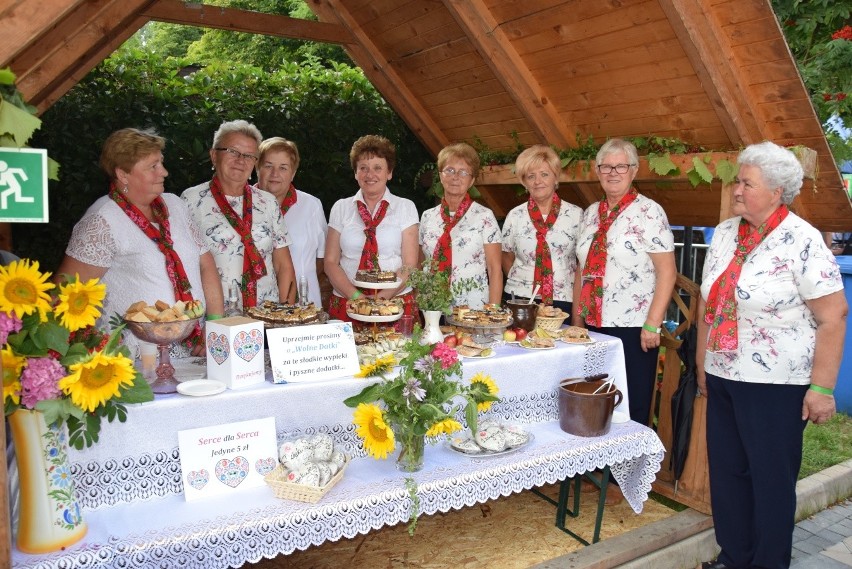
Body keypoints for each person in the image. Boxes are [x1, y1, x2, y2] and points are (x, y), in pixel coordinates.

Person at [696, 141, 847, 569]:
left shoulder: (802, 240)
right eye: (738, 180)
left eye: (747, 183)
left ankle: (768, 562)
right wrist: (705, 363)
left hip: (775, 386)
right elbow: (712, 304)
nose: (737, 189)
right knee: (728, 476)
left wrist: (821, 388)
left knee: (770, 481)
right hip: (724, 373)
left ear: (777, 191)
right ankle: (734, 556)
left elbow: (834, 315)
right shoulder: (726, 233)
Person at [58, 128, 223, 356]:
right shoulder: (102, 221)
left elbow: (206, 264)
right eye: (152, 166)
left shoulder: (175, 205)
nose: (164, 172)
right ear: (123, 175)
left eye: (161, 163)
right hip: (136, 357)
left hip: (194, 349)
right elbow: (64, 294)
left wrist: (214, 325)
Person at [573, 138, 677, 425]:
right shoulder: (591, 213)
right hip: (593, 324)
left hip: (633, 327)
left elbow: (667, 272)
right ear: (597, 171)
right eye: (606, 166)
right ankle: (597, 464)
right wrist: (577, 322)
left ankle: (630, 469)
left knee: (629, 406)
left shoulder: (649, 212)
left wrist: (652, 323)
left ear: (634, 170)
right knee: (594, 399)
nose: (613, 172)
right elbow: (582, 270)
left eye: (621, 166)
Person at [182, 120, 296, 310]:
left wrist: (285, 315)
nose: (240, 160)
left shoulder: (267, 202)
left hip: (267, 315)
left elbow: (284, 266)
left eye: (249, 155)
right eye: (232, 151)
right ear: (213, 155)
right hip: (215, 318)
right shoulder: (190, 201)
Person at [324, 135, 419, 321]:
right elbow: (330, 262)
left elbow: (409, 265)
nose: (370, 175)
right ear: (355, 172)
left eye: (378, 168)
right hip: (348, 302)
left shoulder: (405, 207)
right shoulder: (341, 208)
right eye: (363, 168)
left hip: (394, 304)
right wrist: (358, 299)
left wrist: (381, 299)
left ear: (389, 172)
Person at [419, 142, 501, 308]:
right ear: (441, 176)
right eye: (449, 170)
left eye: (463, 172)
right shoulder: (427, 217)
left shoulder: (484, 217)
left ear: (471, 181)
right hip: (432, 307)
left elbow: (495, 270)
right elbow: (420, 265)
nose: (455, 177)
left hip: (473, 310)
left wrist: (493, 313)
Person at [502, 144, 582, 313]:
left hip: (563, 298)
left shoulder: (577, 215)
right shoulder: (514, 216)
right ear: (524, 182)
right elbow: (506, 256)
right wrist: (524, 281)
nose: (538, 181)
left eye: (544, 174)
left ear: (556, 178)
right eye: (531, 176)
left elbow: (582, 262)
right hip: (519, 299)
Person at [255, 137, 327, 307]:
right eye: (268, 166)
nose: (275, 174)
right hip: (256, 305)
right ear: (257, 168)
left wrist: (300, 278)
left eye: (283, 168)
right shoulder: (241, 205)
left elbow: (322, 258)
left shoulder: (312, 206)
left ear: (293, 173)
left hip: (304, 305)